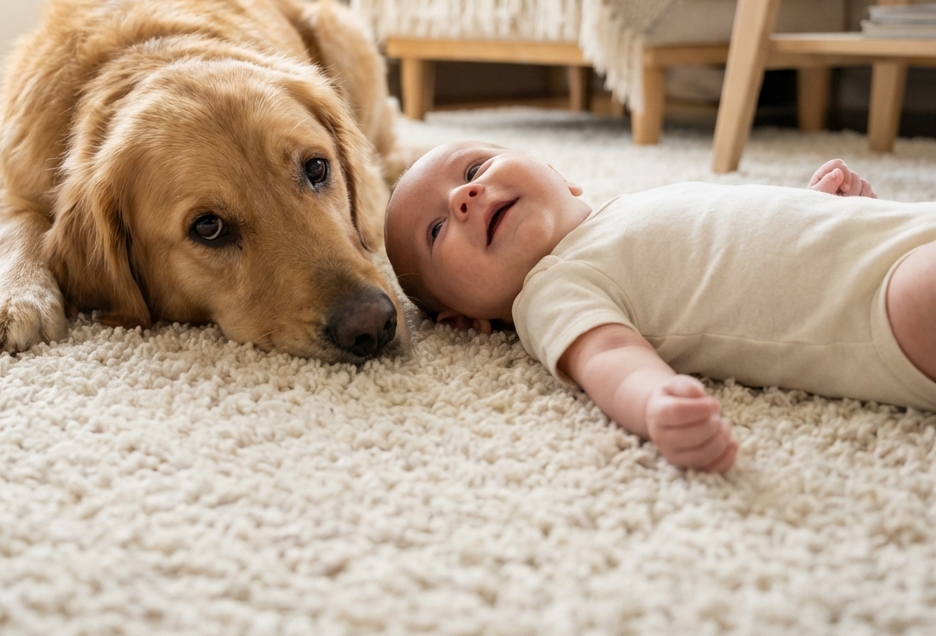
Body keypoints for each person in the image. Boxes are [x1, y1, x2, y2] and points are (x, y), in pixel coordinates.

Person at [385, 143, 936, 473]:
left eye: (475, 168)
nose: (464, 197)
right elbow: (607, 356)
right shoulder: (551, 288)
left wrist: (828, 211)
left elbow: (750, 236)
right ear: (464, 321)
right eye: (436, 230)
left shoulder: (628, 209)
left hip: (896, 234)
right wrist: (653, 403)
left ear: (559, 174)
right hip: (880, 304)